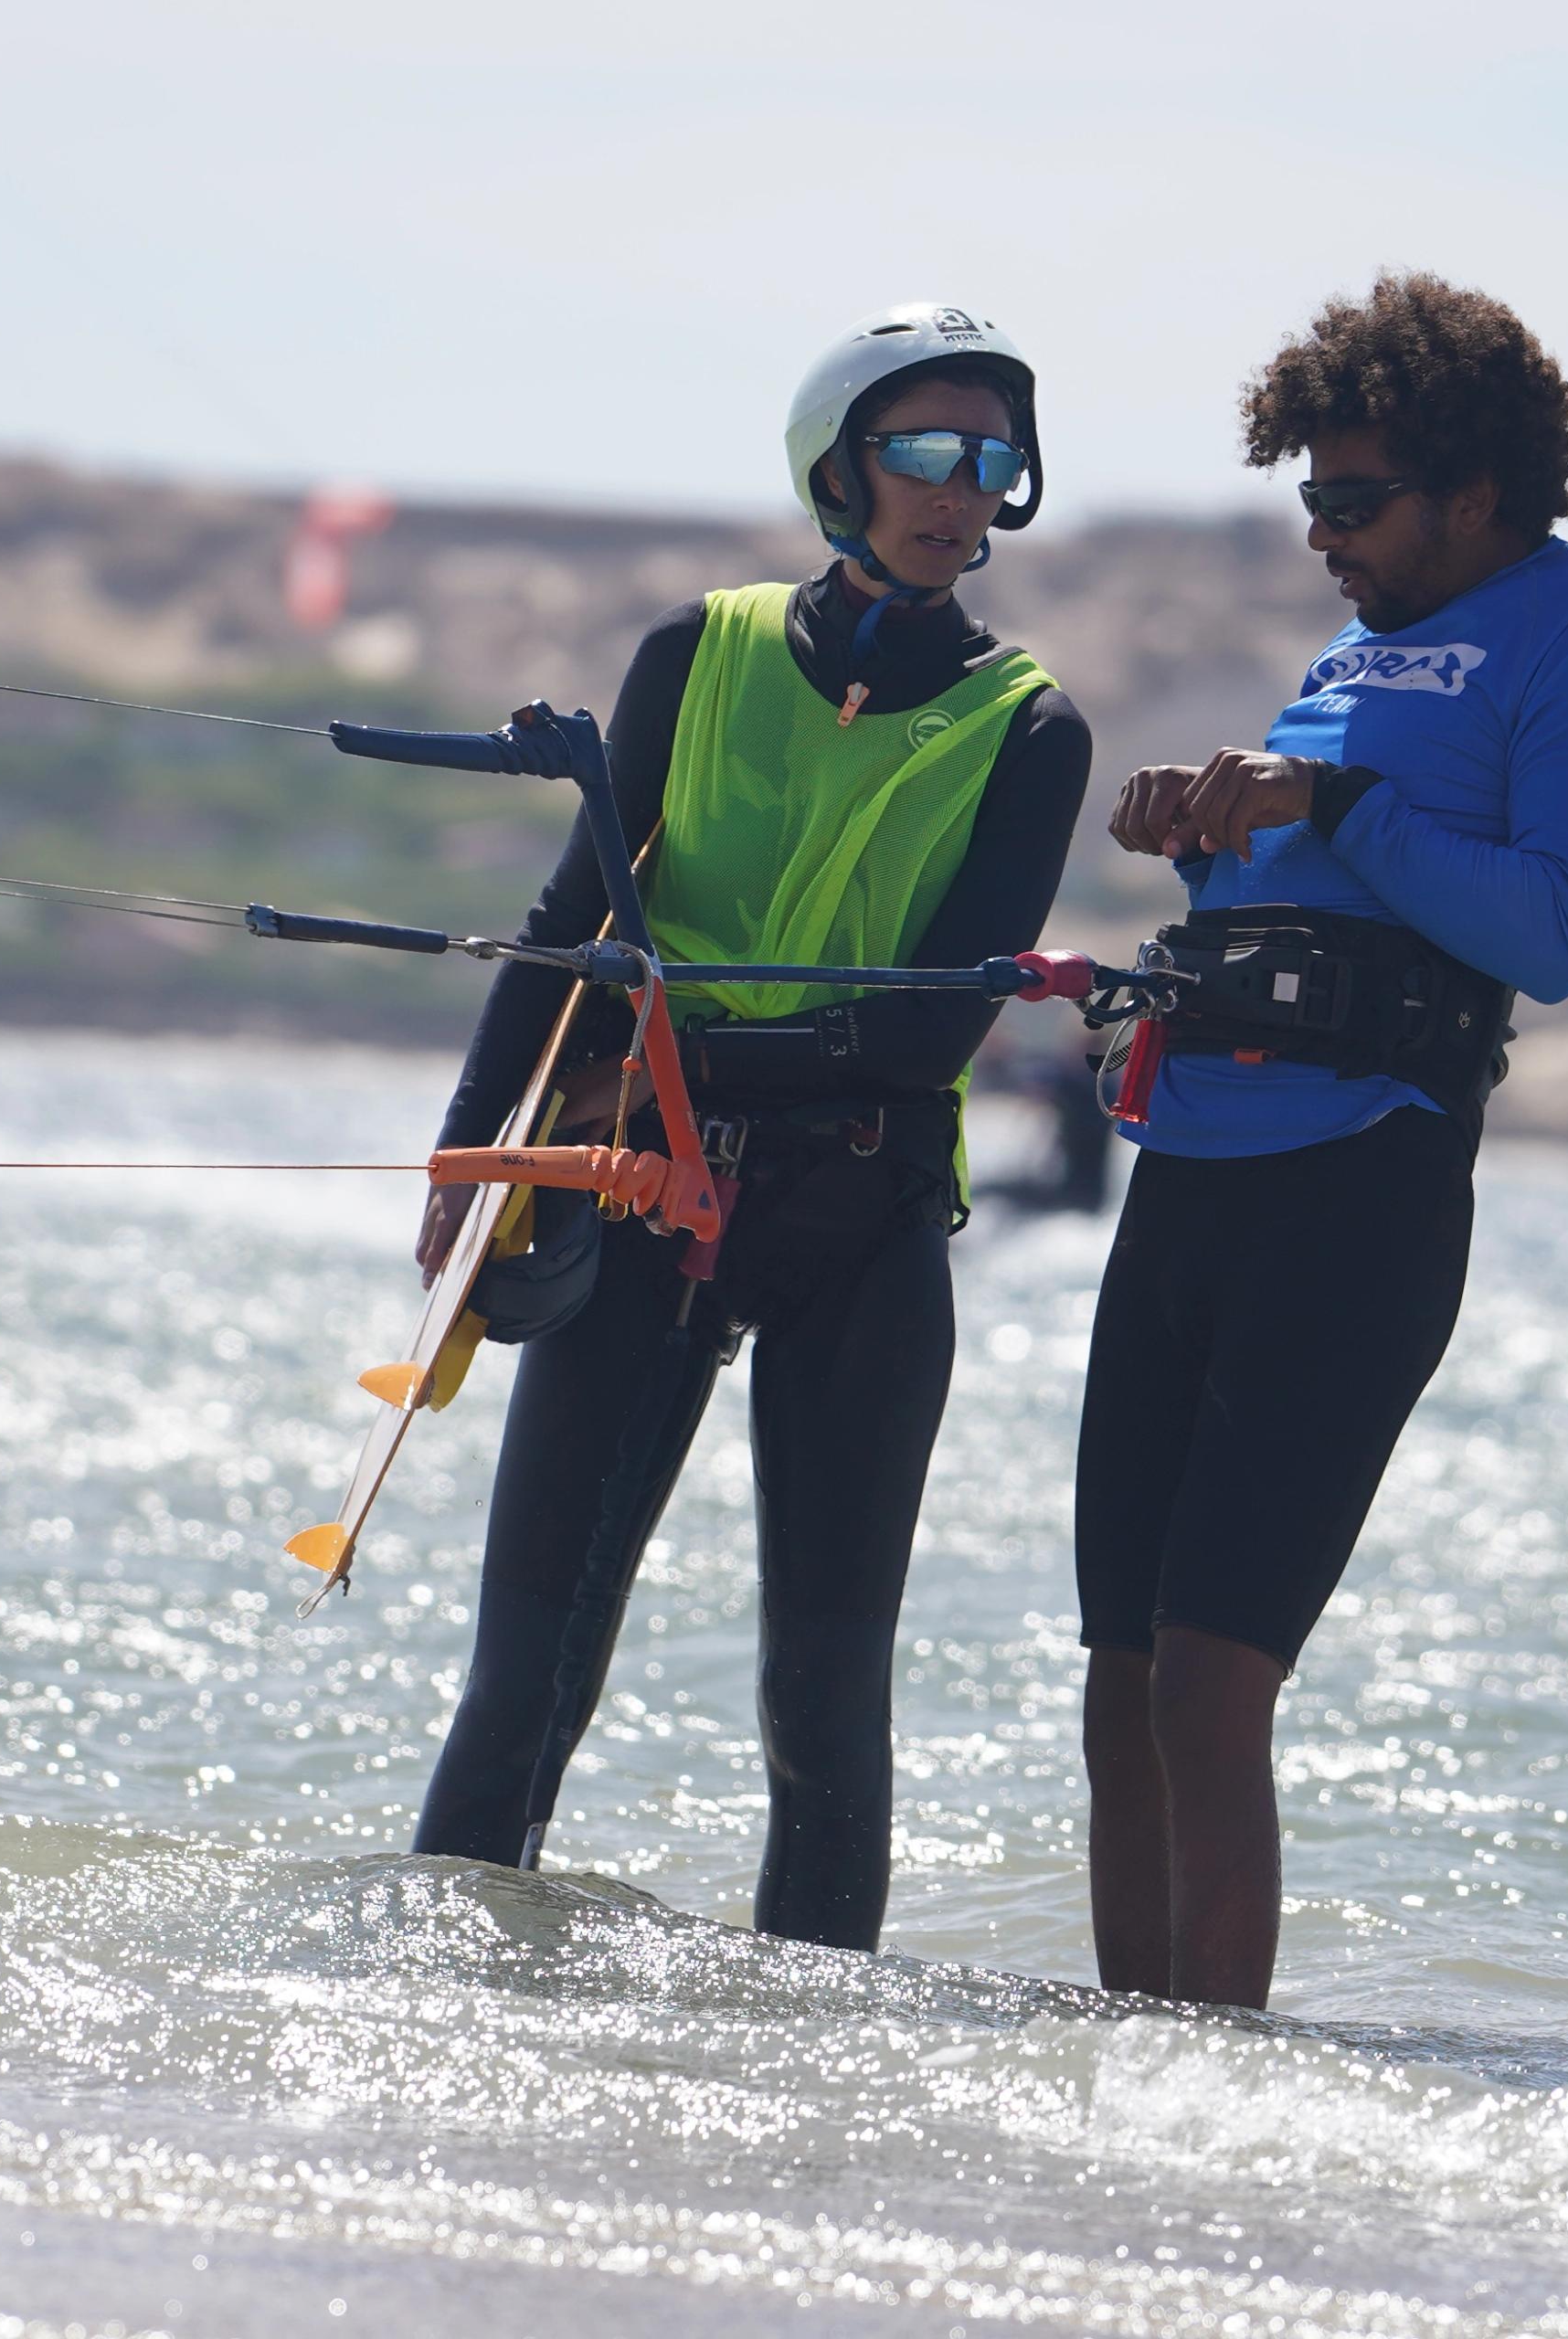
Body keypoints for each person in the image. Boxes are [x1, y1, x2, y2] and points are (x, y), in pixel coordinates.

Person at [410, 304, 1094, 1952]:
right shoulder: (694, 652)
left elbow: (932, 1027)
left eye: (992, 461)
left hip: (860, 1219)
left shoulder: (1031, 726)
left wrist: (688, 1067)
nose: (959, 489)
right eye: (922, 451)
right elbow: (574, 921)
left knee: (824, 1704)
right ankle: (429, 2006)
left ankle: (810, 2067)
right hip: (641, 1197)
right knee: (528, 1678)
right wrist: (472, 1152)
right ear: (838, 467)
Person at [1078, 272, 1568, 2008]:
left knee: (1211, 1682)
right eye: (1312, 498)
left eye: (1353, 500)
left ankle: (1214, 2082)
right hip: (1193, 1169)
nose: (1323, 536)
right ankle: (1115, 2089)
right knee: (1119, 1683)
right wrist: (1203, 831)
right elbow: (1319, 873)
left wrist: (1332, 799)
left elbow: (1546, 932)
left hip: (1358, 1192)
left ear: (1475, 492)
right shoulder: (1355, 645)